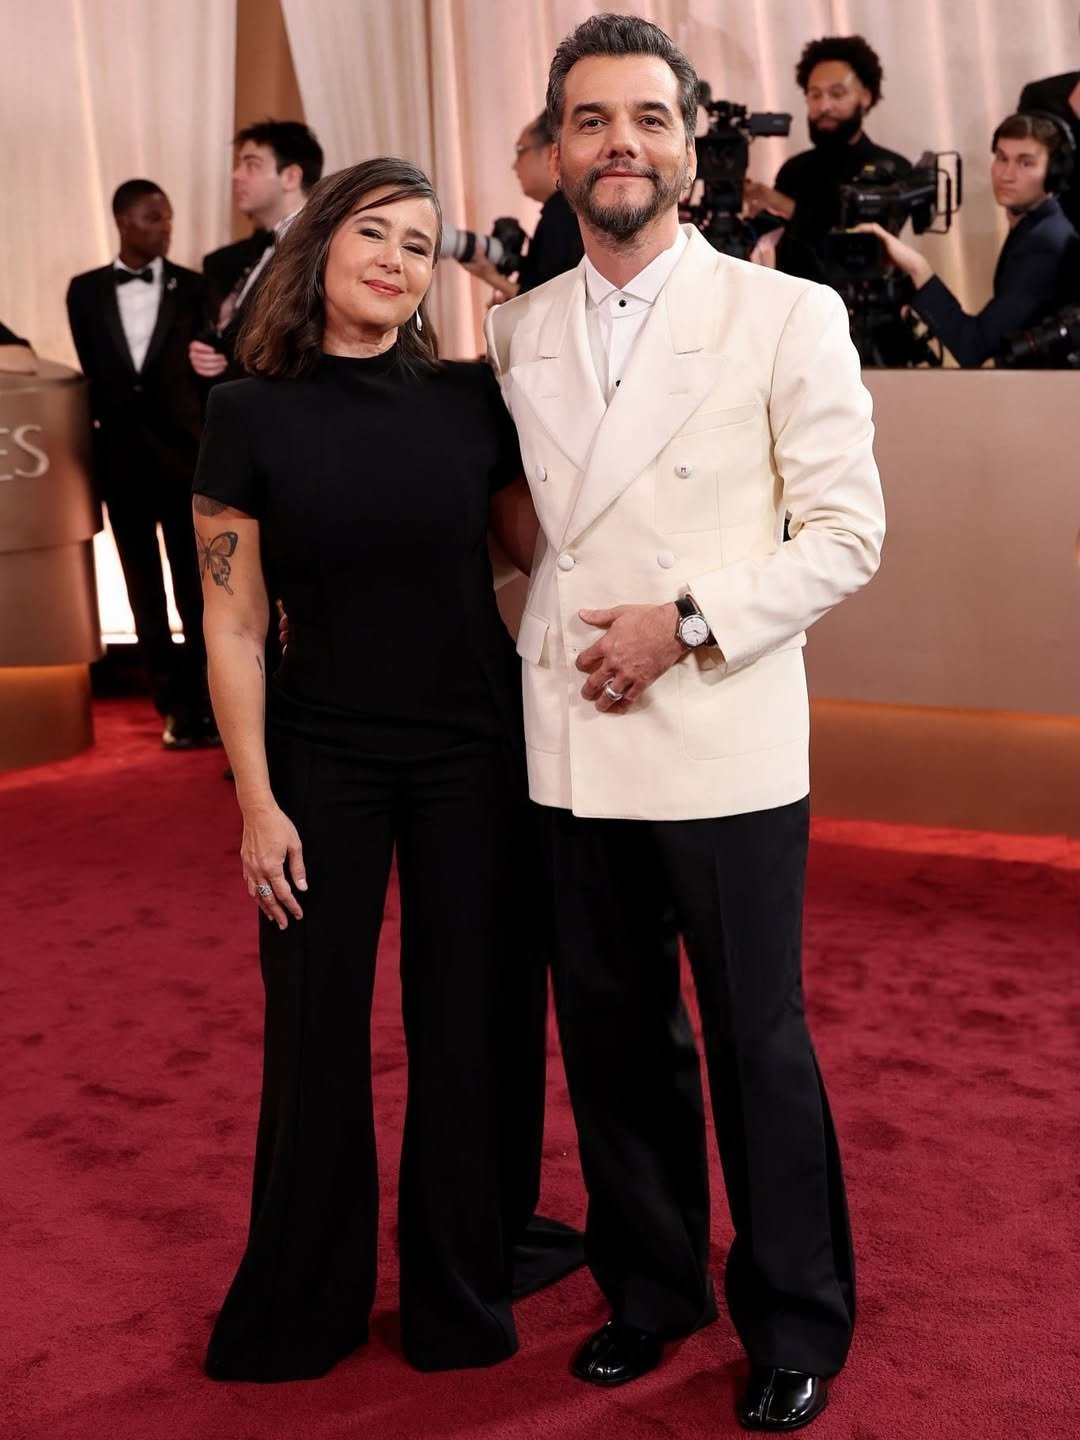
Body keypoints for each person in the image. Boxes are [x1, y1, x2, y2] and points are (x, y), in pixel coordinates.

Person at [486, 14, 885, 1431]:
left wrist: (686, 623)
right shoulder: (514, 325)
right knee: (609, 1037)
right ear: (557, 150)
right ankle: (650, 1291)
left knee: (754, 1037)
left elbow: (848, 537)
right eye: (592, 120)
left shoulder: (788, 314)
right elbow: (522, 530)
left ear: (692, 145)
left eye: (648, 120)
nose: (621, 146)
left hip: (719, 731)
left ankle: (797, 1317)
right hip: (570, 740)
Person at [192, 156, 581, 1382]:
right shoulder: (248, 411)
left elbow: (549, 557)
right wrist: (256, 801)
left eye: (422, 245)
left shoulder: (473, 397)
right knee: (314, 1028)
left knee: (468, 1024)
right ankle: (303, 1302)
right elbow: (235, 623)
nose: (398, 260)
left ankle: (460, 1293)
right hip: (320, 756)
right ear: (321, 241)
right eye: (376, 231)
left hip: (477, 748)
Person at [67, 180, 214, 749]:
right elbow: (99, 378)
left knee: (196, 592)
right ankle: (172, 708)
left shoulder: (196, 287)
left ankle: (208, 703)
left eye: (169, 217)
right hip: (121, 464)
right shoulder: (83, 292)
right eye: (154, 218)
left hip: (184, 460)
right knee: (142, 594)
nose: (166, 227)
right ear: (124, 220)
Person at [860, 111, 1080, 367]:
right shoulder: (1035, 228)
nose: (1006, 174)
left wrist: (917, 267)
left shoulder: (1044, 243)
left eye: (1025, 163)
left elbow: (973, 346)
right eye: (1001, 158)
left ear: (1053, 172)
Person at [743, 34, 910, 280]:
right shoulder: (793, 170)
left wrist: (782, 204)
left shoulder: (894, 169)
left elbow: (858, 245)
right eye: (815, 94)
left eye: (837, 93)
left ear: (866, 96)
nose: (824, 106)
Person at [190, 119, 324, 384]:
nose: (236, 175)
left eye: (251, 165)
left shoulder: (319, 249)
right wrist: (210, 351)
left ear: (291, 177)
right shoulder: (263, 247)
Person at [462, 112, 584, 300]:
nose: (514, 165)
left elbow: (552, 303)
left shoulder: (564, 215)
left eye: (520, 150)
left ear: (549, 154)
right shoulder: (563, 211)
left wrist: (490, 276)